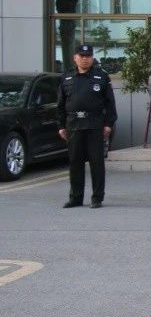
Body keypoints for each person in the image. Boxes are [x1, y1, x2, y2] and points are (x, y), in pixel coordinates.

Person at [56, 44, 117, 208]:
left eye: (88, 56)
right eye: (82, 56)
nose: (85, 59)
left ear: (92, 58)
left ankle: (97, 198)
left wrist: (108, 124)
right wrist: (61, 125)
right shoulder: (66, 77)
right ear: (75, 58)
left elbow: (110, 103)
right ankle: (76, 198)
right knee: (75, 162)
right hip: (73, 125)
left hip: (94, 125)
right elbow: (61, 105)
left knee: (96, 163)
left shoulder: (101, 76)